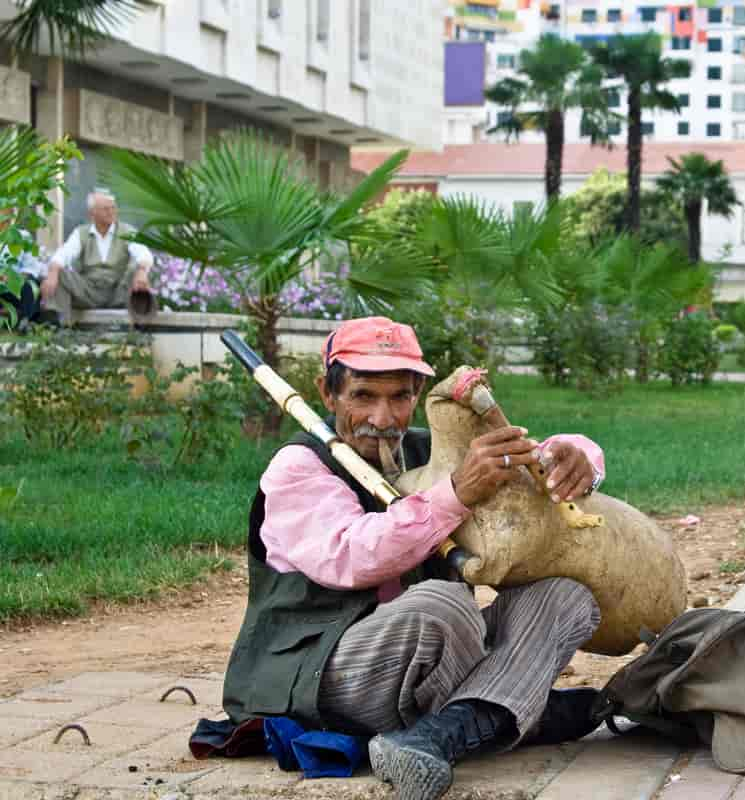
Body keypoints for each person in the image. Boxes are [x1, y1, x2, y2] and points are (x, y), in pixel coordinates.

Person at [221, 317, 607, 800]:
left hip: (439, 662)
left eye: (399, 397)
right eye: (363, 396)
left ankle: (436, 735)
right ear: (328, 394)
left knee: (565, 598)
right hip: (327, 674)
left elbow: (527, 456)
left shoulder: (428, 450)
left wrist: (577, 459)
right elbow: (355, 555)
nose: (383, 419)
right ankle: (506, 704)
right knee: (441, 606)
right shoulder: (298, 467)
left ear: (417, 394)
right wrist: (455, 495)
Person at [41, 190, 153, 325]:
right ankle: (59, 325)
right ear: (92, 213)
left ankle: (140, 324)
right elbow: (64, 254)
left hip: (119, 291)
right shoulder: (81, 232)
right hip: (89, 291)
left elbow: (143, 253)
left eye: (113, 207)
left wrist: (142, 271)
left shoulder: (127, 231)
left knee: (139, 269)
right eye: (106, 209)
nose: (111, 212)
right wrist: (53, 272)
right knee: (59, 273)